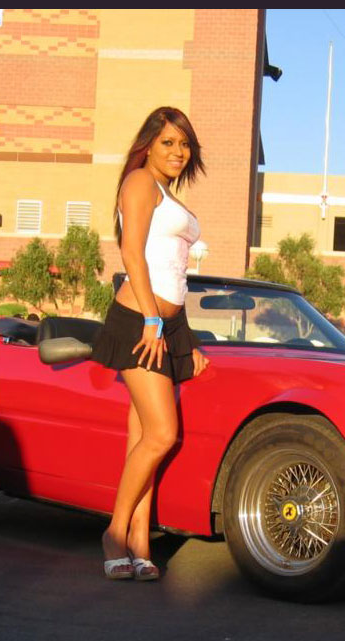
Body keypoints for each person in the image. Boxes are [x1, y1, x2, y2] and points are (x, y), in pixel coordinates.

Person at [89, 106, 209, 582]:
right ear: (149, 145)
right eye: (168, 143)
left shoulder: (165, 191)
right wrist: (153, 321)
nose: (178, 152)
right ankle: (114, 532)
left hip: (166, 324)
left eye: (184, 144)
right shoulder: (140, 182)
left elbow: (175, 273)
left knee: (142, 440)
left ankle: (140, 542)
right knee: (162, 435)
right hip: (140, 321)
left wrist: (184, 336)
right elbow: (131, 252)